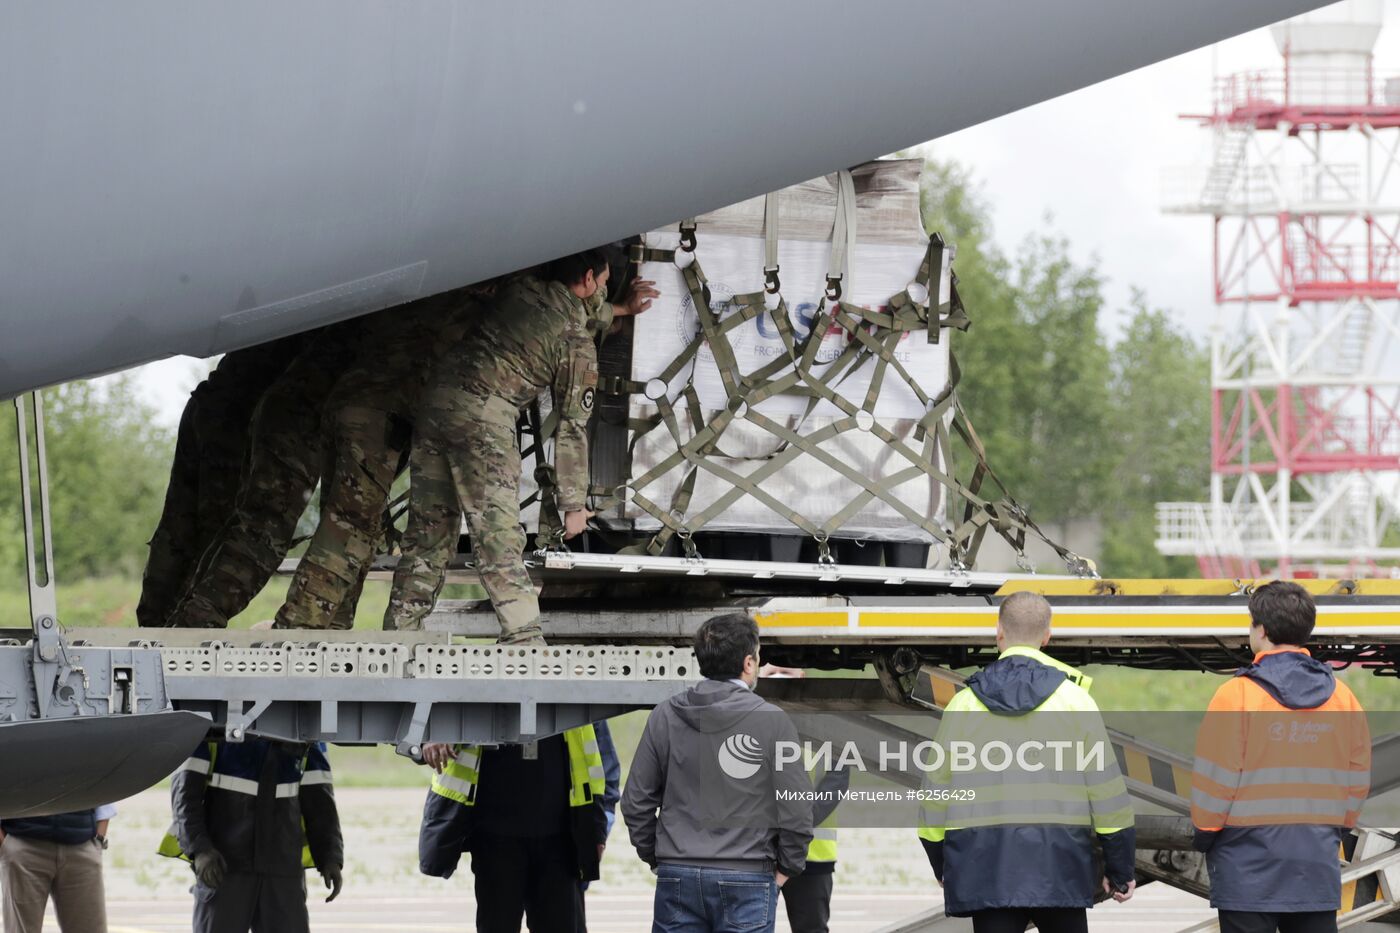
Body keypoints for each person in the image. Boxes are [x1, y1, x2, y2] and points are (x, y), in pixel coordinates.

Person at [384, 249, 655, 640]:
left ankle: (399, 633)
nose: (604, 290)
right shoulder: (575, 343)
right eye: (605, 282)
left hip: (436, 404)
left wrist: (623, 310)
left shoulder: (521, 290)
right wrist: (574, 506)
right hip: (483, 418)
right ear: (590, 279)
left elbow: (573, 311)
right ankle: (524, 638)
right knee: (497, 534)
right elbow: (571, 428)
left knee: (428, 532)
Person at [918, 591, 1136, 933]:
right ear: (1047, 636)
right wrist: (1120, 869)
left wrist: (941, 862)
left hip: (986, 869)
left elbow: (934, 795)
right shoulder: (1075, 701)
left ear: (998, 631)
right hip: (1060, 867)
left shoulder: (963, 704)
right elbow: (1107, 794)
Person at [272, 290, 480, 629]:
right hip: (378, 417)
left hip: (347, 403)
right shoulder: (465, 305)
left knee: (346, 523)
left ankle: (332, 628)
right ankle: (298, 629)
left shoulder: (415, 298)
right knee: (350, 528)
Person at [1191, 580, 1371, 933]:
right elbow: (1357, 777)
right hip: (1314, 864)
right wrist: (1333, 829)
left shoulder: (1236, 696)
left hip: (1246, 870)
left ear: (1261, 630)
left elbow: (1215, 780)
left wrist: (1204, 835)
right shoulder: (1343, 697)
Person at [166, 319, 367, 629]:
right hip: (298, 411)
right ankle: (195, 623)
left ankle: (180, 621)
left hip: (259, 405)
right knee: (268, 527)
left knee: (225, 529)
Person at [622, 613, 813, 933]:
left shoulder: (665, 715)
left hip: (678, 874)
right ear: (749, 663)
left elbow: (635, 802)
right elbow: (797, 808)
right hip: (748, 877)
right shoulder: (773, 722)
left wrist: (659, 858)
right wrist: (785, 869)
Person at [138, 337, 302, 626]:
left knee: (181, 529)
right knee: (232, 530)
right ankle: (186, 630)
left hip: (215, 402)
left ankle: (157, 627)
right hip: (247, 414)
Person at [417, 725, 608, 932]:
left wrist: (595, 827)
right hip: (495, 838)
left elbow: (594, 757)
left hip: (559, 841)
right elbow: (429, 703)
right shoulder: (473, 690)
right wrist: (432, 734)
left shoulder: (573, 693)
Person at [161, 737, 344, 933]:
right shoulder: (212, 721)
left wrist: (330, 856)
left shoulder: (306, 727)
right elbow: (185, 794)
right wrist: (200, 850)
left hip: (282, 868)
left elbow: (319, 800)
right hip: (224, 866)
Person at [0, 803, 116, 932]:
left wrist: (99, 838)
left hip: (82, 846)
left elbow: (102, 785)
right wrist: (6, 846)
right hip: (23, 844)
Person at [577, 718, 622, 933]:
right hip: (501, 841)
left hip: (565, 843)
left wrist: (599, 832)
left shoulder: (580, 701)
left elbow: (607, 777)